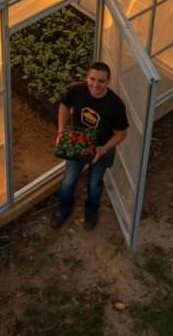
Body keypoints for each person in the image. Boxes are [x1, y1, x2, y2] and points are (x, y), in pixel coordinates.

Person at [50, 62, 129, 231]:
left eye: (101, 81)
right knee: (68, 182)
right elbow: (64, 105)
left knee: (94, 185)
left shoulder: (115, 105)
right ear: (87, 77)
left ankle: (91, 214)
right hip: (78, 144)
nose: (96, 85)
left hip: (101, 148)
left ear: (108, 81)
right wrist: (61, 130)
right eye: (92, 79)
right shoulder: (76, 91)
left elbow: (122, 133)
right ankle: (63, 210)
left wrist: (104, 148)